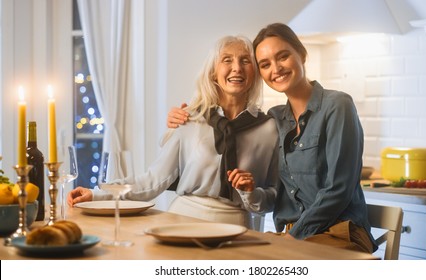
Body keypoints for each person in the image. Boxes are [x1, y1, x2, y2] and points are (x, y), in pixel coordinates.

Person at [167, 23, 377, 254]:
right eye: (265, 65)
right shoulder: (275, 119)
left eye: (283, 56)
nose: (275, 68)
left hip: (339, 232)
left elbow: (339, 189)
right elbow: (230, 129)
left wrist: (292, 236)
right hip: (290, 235)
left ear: (302, 54)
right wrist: (187, 116)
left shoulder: (337, 105)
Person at [68, 35, 279, 229]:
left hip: (237, 228)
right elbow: (153, 181)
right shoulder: (188, 118)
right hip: (182, 221)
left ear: (255, 72)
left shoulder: (269, 128)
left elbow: (273, 196)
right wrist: (96, 194)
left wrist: (251, 193)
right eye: (227, 60)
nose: (237, 68)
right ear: (213, 72)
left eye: (245, 60)